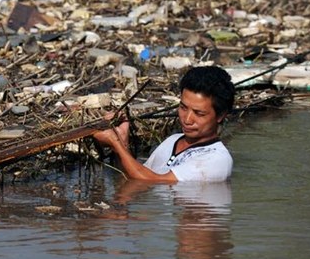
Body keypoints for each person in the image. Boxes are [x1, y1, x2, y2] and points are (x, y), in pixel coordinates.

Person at [93, 65, 236, 183]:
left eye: (199, 114)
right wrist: (122, 142)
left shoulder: (217, 160)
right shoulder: (173, 140)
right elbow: (137, 175)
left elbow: (151, 181)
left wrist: (115, 142)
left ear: (221, 115)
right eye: (183, 108)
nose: (187, 119)